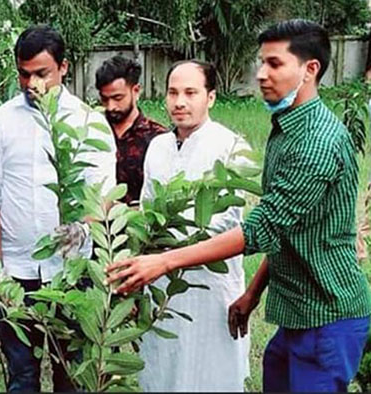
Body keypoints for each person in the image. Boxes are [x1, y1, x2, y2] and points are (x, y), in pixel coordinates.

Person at [107, 20, 371, 392]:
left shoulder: (317, 142)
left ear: (310, 69)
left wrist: (164, 261)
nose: (261, 74)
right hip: (297, 313)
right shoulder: (287, 128)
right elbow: (288, 231)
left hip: (327, 316)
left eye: (275, 64)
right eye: (261, 63)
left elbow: (263, 228)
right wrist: (253, 293)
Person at [0, 24, 116, 391]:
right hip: (15, 273)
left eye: (42, 74)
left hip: (72, 272)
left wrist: (81, 229)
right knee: (21, 374)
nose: (32, 83)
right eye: (24, 74)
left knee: (73, 371)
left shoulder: (88, 122)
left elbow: (101, 195)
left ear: (63, 68)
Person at [138, 60, 251, 391]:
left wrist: (171, 252)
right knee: (162, 370)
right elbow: (147, 212)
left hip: (211, 288)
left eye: (190, 92)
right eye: (173, 92)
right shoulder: (158, 145)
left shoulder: (231, 148)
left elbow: (228, 225)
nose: (179, 102)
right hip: (161, 287)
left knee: (211, 374)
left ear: (211, 97)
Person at [95, 55, 167, 205]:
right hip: (91, 223)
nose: (110, 106)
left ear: (136, 90)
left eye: (118, 98)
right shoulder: (94, 131)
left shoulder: (157, 139)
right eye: (104, 99)